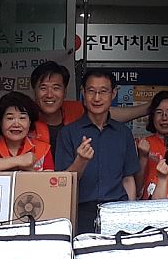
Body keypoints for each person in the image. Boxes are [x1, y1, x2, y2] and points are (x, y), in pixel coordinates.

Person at [0, 61, 149, 152]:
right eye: (43, 88)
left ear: (65, 91)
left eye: (56, 88)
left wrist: (151, 107)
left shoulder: (76, 110)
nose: (49, 94)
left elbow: (109, 113)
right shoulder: (21, 115)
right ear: (34, 90)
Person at [55, 71, 140, 232]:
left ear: (113, 93)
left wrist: (130, 214)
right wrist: (80, 161)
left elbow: (128, 178)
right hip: (80, 211)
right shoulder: (68, 133)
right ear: (83, 92)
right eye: (91, 91)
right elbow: (63, 182)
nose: (97, 98)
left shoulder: (123, 133)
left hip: (117, 209)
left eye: (103, 91)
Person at [0, 92, 53, 172]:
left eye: (22, 118)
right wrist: (19, 161)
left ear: (30, 122)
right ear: (0, 121)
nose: (16, 124)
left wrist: (30, 170)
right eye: (10, 118)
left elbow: (49, 180)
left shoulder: (43, 149)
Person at [136, 91, 168, 198]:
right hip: (151, 202)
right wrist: (143, 157)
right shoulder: (142, 144)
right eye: (159, 112)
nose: (164, 117)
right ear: (152, 117)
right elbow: (137, 188)